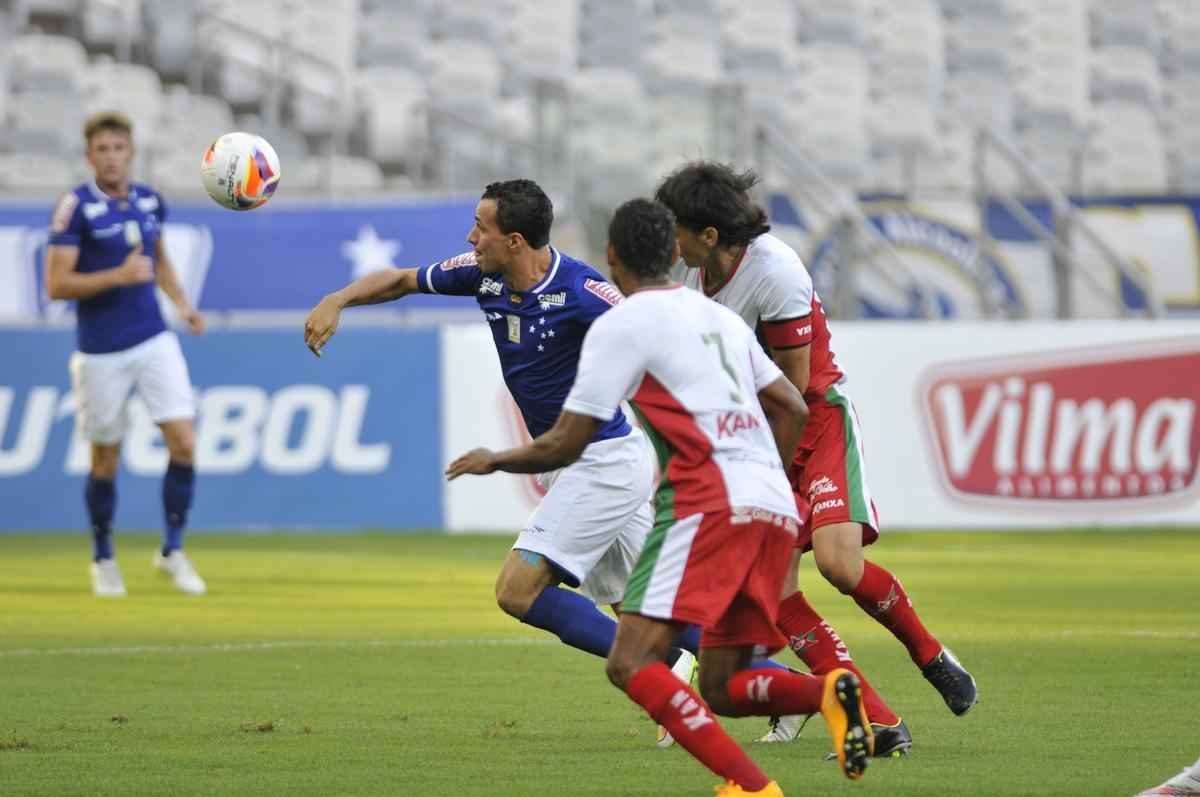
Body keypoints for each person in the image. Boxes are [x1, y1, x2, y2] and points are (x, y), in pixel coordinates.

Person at [446, 198, 873, 795]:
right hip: (773, 507)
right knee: (723, 683)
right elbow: (794, 405)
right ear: (675, 252)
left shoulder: (619, 326)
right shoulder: (718, 316)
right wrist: (768, 479)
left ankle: (751, 786)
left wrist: (498, 458)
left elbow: (567, 442)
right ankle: (827, 692)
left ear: (613, 256)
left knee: (630, 660)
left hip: (706, 502)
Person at [304, 179, 699, 669]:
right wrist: (337, 299)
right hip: (579, 463)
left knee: (517, 591)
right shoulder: (481, 275)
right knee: (653, 608)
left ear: (514, 241)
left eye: (480, 227)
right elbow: (403, 279)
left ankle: (664, 665)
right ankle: (786, 690)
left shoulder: (582, 292)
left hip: (603, 461)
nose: (471, 239)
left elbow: (656, 337)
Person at [655, 162, 979, 751]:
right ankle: (880, 721)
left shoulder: (774, 271)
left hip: (813, 421)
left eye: (675, 228)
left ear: (708, 234)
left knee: (838, 565)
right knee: (776, 599)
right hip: (754, 437)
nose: (667, 239)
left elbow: (795, 386)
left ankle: (931, 655)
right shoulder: (693, 272)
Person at [45, 111, 206, 597]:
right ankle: (103, 557)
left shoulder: (149, 201)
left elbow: (158, 261)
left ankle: (173, 550)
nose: (112, 157)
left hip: (154, 337)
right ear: (89, 155)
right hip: (100, 351)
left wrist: (183, 305)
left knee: (184, 442)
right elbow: (56, 284)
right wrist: (114, 277)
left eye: (119, 148)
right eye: (102, 149)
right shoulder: (74, 208)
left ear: (131, 152)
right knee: (105, 460)